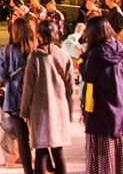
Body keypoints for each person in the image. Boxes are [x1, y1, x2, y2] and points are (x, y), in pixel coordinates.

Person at [79, 16, 123, 174]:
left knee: (102, 141)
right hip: (119, 98)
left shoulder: (96, 53)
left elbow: (88, 75)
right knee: (120, 138)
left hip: (100, 103)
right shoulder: (119, 48)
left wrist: (81, 61)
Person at [21, 19, 74, 174]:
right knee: (58, 151)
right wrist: (69, 111)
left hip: (41, 108)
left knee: (41, 151)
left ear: (39, 35)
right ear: (56, 34)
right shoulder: (64, 56)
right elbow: (70, 88)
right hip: (60, 109)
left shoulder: (35, 56)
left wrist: (24, 111)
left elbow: (28, 87)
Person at [0, 17, 36, 174]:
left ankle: (28, 170)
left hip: (14, 99)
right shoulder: (36, 50)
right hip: (35, 99)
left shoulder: (7, 51)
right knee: (39, 137)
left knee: (22, 137)